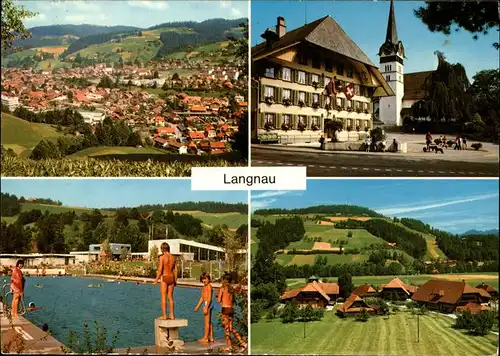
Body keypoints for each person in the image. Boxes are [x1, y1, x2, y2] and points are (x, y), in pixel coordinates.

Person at [217, 273, 247, 352]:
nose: (222, 281)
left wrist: (218, 295)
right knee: (231, 328)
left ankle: (229, 346)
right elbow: (233, 301)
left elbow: (219, 300)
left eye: (223, 279)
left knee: (226, 329)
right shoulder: (231, 289)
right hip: (231, 309)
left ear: (225, 280)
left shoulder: (222, 288)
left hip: (225, 309)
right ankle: (242, 342)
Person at [153, 243, 177, 320]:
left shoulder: (162, 257)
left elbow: (160, 270)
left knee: (163, 297)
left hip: (165, 277)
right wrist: (175, 280)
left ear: (162, 249)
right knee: (170, 297)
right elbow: (176, 270)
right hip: (172, 278)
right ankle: (172, 315)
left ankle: (164, 315)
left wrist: (156, 280)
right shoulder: (173, 257)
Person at [194, 272, 214, 344]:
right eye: (202, 279)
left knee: (206, 322)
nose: (204, 281)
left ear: (209, 279)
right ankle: (211, 337)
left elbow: (209, 298)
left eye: (205, 279)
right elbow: (202, 297)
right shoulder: (203, 287)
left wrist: (206, 307)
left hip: (208, 304)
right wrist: (197, 306)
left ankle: (205, 338)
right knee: (209, 321)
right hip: (205, 303)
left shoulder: (209, 286)